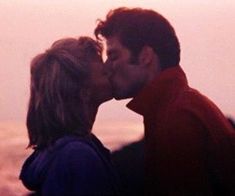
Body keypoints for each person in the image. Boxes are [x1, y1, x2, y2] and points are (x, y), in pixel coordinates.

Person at [95, 7, 235, 195]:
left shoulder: (178, 117)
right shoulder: (176, 106)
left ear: (145, 56)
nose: (106, 68)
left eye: (113, 56)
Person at [20, 36, 121, 195]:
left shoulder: (59, 150)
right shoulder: (79, 156)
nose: (110, 70)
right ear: (84, 92)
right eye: (103, 72)